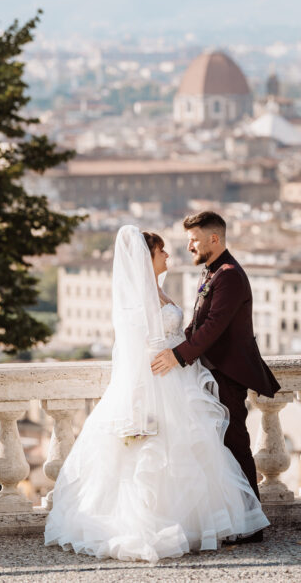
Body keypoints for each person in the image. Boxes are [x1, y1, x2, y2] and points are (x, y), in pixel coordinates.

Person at [45, 225, 269, 563]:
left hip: (179, 378)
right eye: (161, 251)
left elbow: (190, 330)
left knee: (203, 449)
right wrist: (139, 403)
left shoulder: (159, 291)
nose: (169, 254)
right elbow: (136, 358)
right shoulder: (137, 303)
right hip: (160, 383)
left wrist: (181, 354)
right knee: (159, 457)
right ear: (147, 258)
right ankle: (164, 524)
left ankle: (216, 522)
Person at [150, 211, 280, 543]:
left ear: (214, 239)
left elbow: (214, 326)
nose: (189, 246)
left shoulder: (230, 275)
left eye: (193, 240)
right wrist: (180, 347)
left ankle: (252, 524)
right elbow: (198, 324)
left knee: (235, 445)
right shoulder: (214, 272)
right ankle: (236, 519)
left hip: (227, 374)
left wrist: (178, 356)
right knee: (219, 447)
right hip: (210, 371)